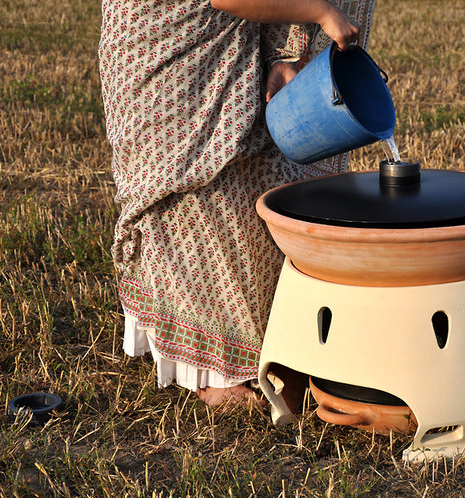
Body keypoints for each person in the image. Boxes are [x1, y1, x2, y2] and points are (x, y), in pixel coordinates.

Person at [98, 0, 377, 407]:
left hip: (227, 36)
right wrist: (321, 13)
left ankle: (262, 353)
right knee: (201, 199)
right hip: (176, 52)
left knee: (248, 197)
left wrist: (287, 55)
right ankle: (214, 370)